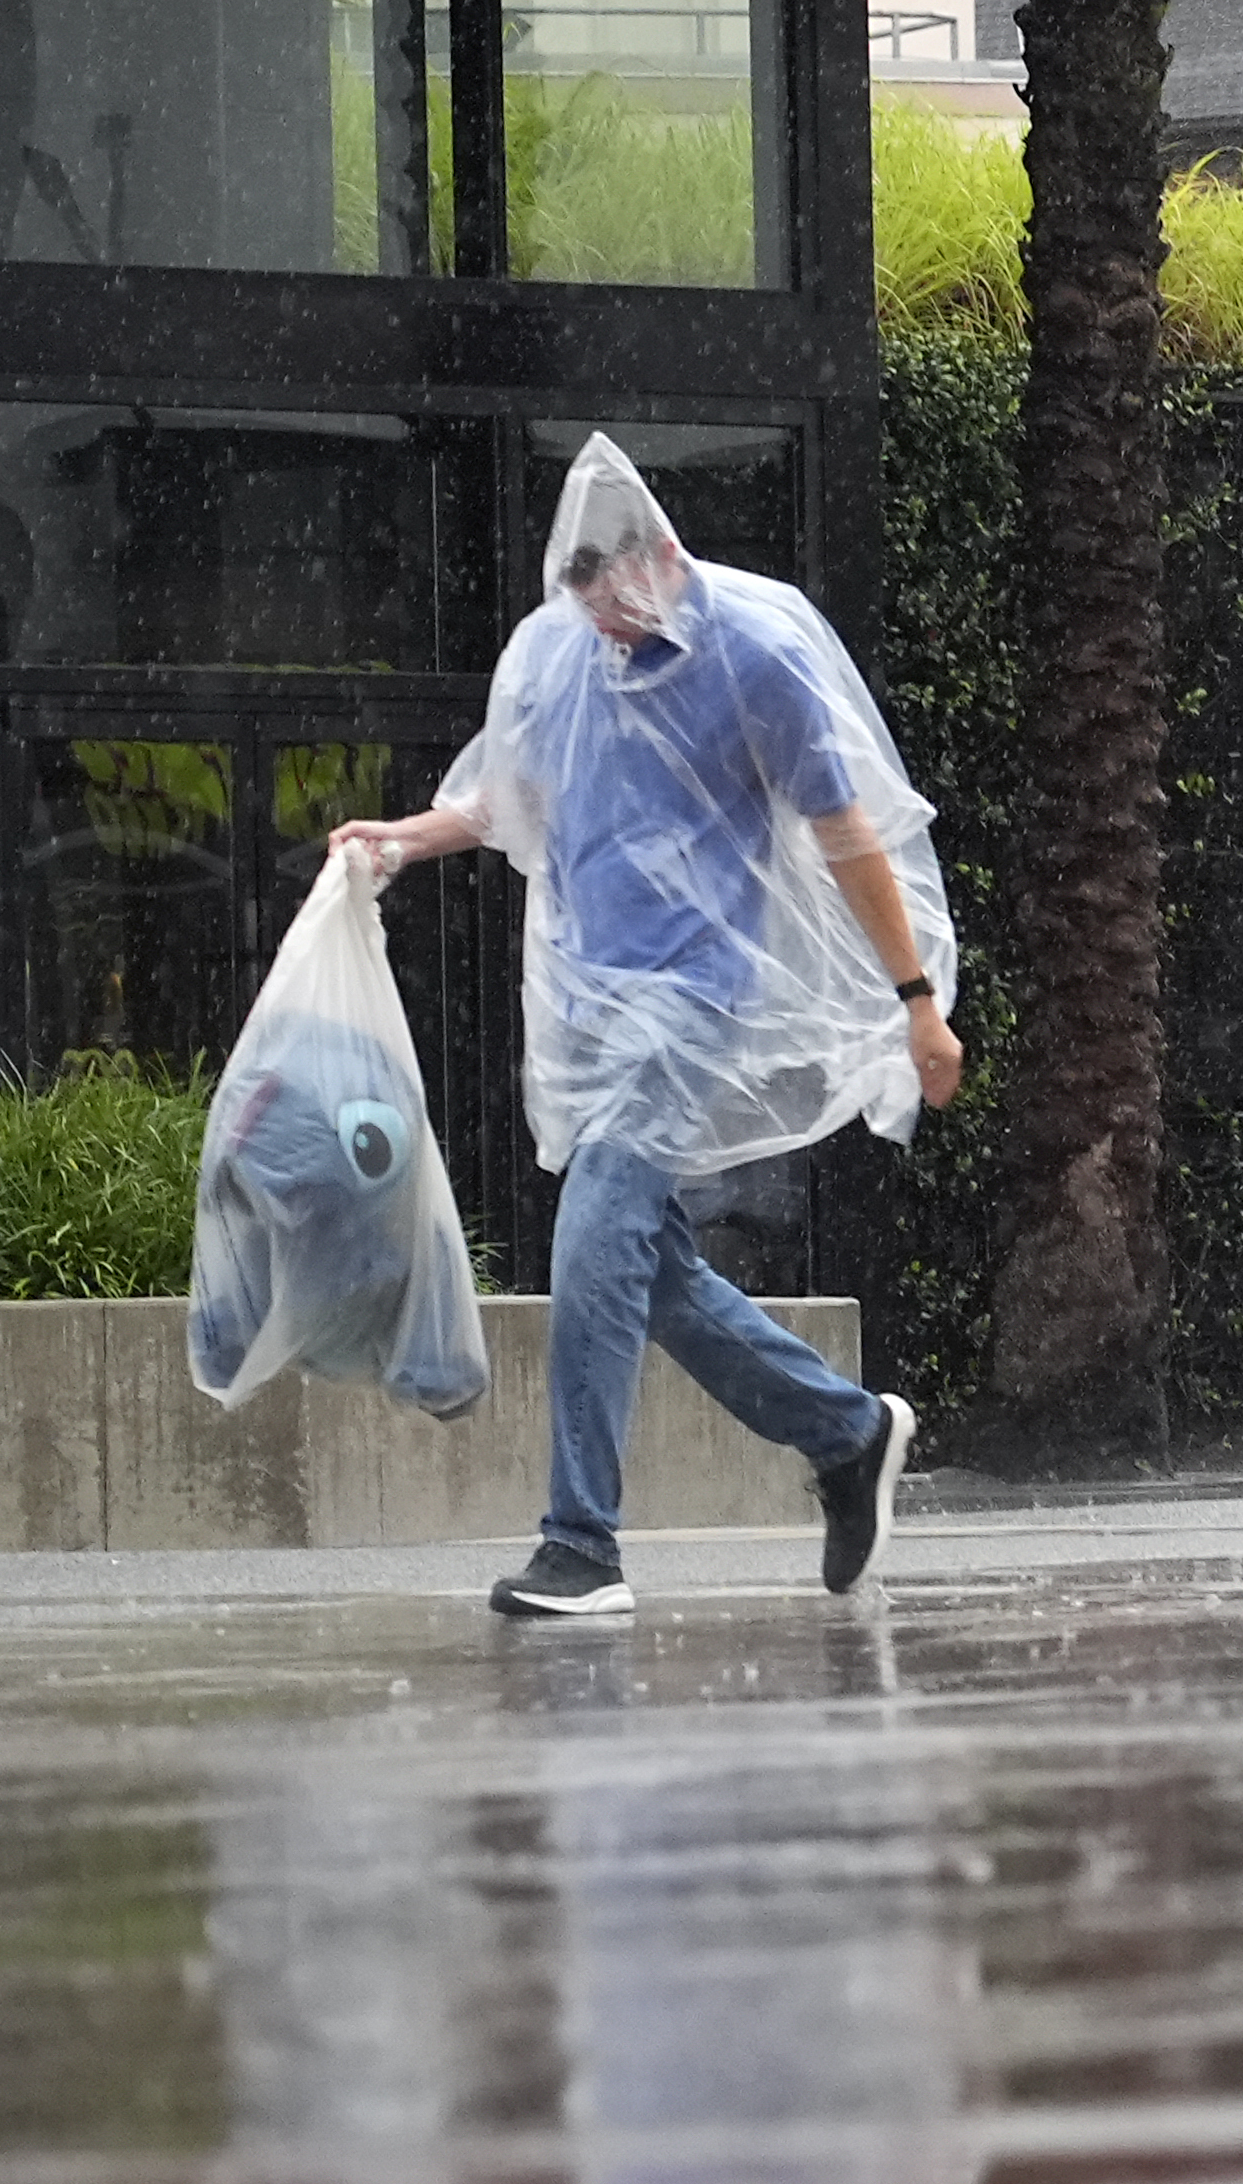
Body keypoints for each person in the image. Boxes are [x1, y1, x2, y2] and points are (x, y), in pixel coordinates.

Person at [332, 435, 964, 1617]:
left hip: (691, 1001)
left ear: (661, 555)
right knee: (645, 1268)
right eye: (588, 611)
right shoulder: (555, 653)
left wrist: (915, 1003)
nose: (609, 634)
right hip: (587, 1005)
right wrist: (399, 840)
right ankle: (844, 1433)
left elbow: (845, 836)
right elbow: (505, 799)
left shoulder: (755, 656)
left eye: (619, 608)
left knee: (591, 1246)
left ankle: (582, 1544)